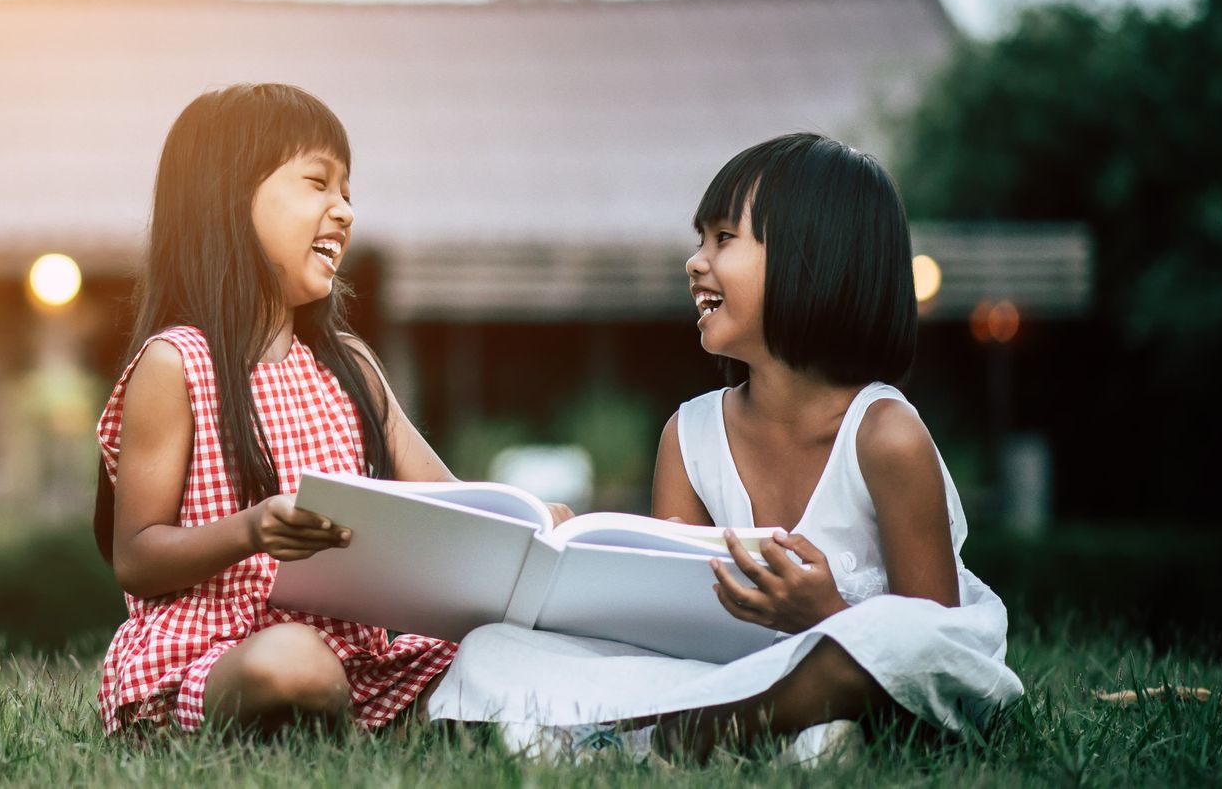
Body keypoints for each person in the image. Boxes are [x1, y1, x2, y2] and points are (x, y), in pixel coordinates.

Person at [429, 132, 1024, 764]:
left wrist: (826, 612)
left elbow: (929, 642)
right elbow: (662, 627)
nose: (695, 261)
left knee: (889, 646)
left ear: (809, 258)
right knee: (492, 648)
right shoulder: (688, 436)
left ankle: (690, 735)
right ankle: (768, 731)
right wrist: (586, 560)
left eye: (723, 239)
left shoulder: (885, 435)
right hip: (732, 673)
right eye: (699, 240)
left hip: (858, 672)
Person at [93, 83, 459, 735]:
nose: (343, 210)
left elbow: (452, 502)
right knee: (292, 662)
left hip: (357, 660)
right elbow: (137, 556)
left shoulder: (351, 364)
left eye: (347, 191)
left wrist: (536, 526)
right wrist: (252, 529)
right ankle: (366, 719)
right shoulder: (177, 364)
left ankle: (354, 716)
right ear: (228, 201)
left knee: (499, 648)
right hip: (217, 655)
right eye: (317, 183)